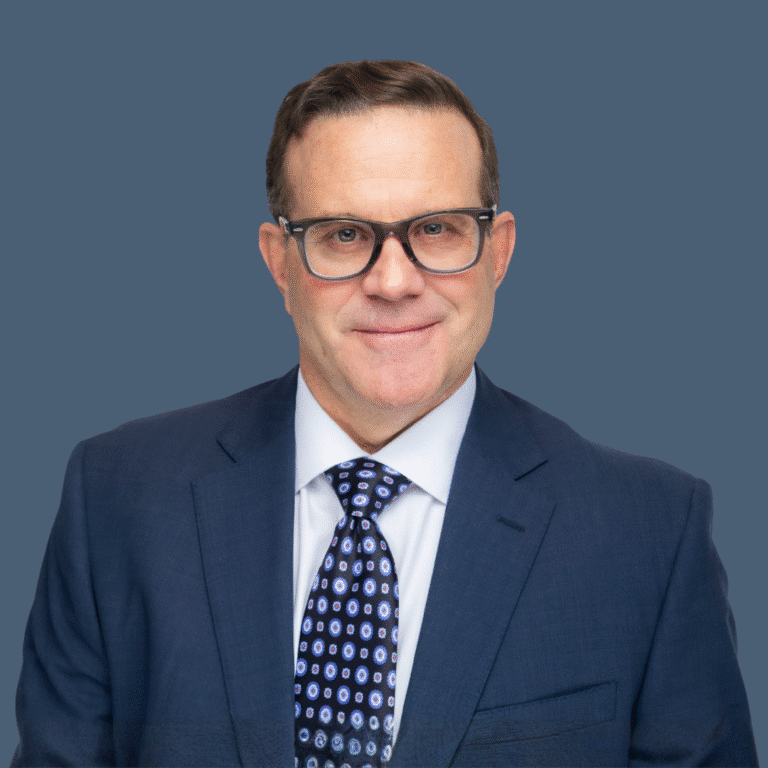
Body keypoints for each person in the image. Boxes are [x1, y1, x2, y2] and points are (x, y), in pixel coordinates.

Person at [12, 60, 757, 767]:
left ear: (497, 252)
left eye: (437, 229)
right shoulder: (117, 498)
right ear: (279, 262)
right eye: (344, 235)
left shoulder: (650, 534)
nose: (393, 281)